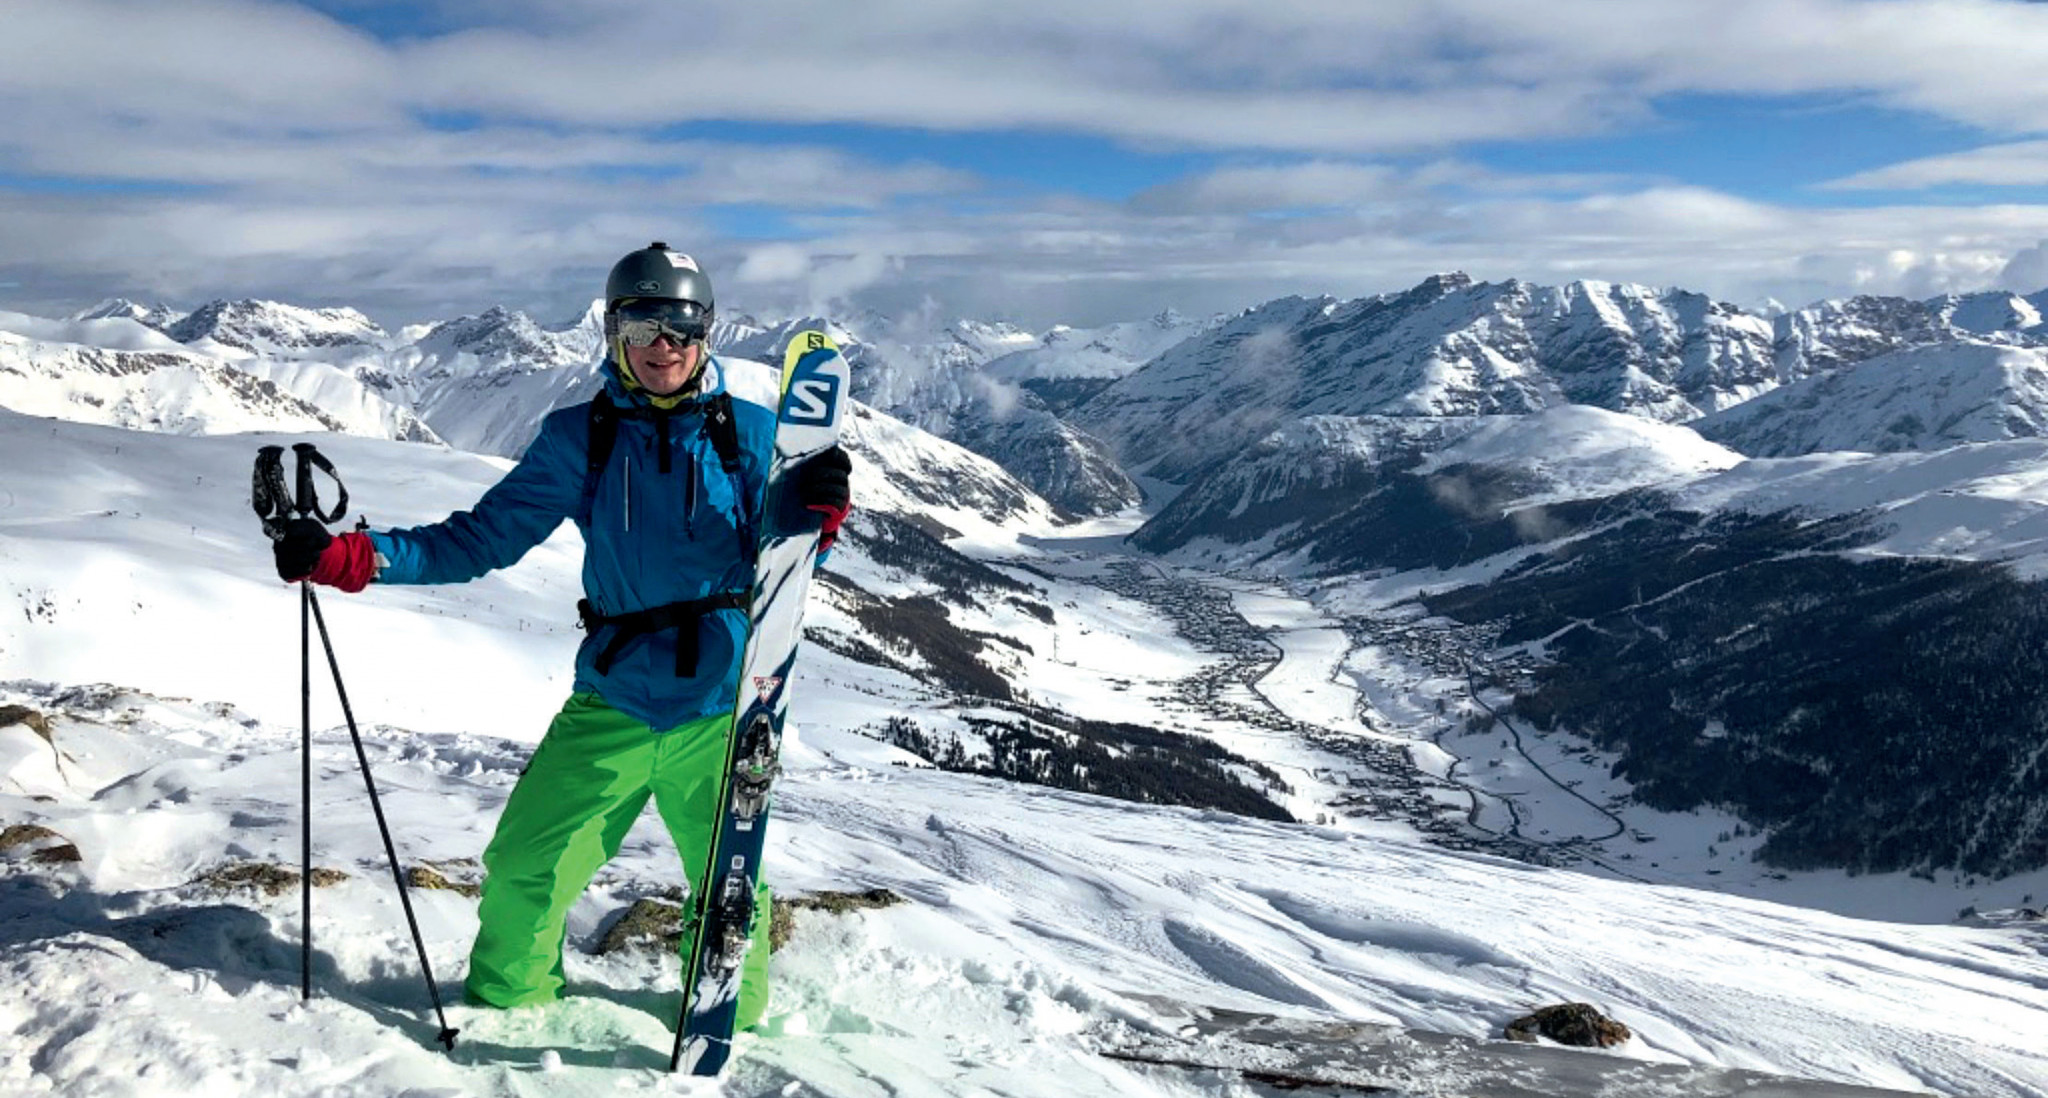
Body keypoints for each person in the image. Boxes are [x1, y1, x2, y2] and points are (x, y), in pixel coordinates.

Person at [269, 242, 851, 1031]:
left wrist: (820, 519)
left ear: (705, 333)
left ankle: (725, 1027)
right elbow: (479, 539)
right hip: (613, 701)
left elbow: (784, 565)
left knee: (730, 891)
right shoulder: (583, 438)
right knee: (524, 867)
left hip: (722, 708)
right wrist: (353, 558)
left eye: (680, 327)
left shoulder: (750, 435)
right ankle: (511, 1018)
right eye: (641, 327)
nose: (662, 346)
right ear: (613, 334)